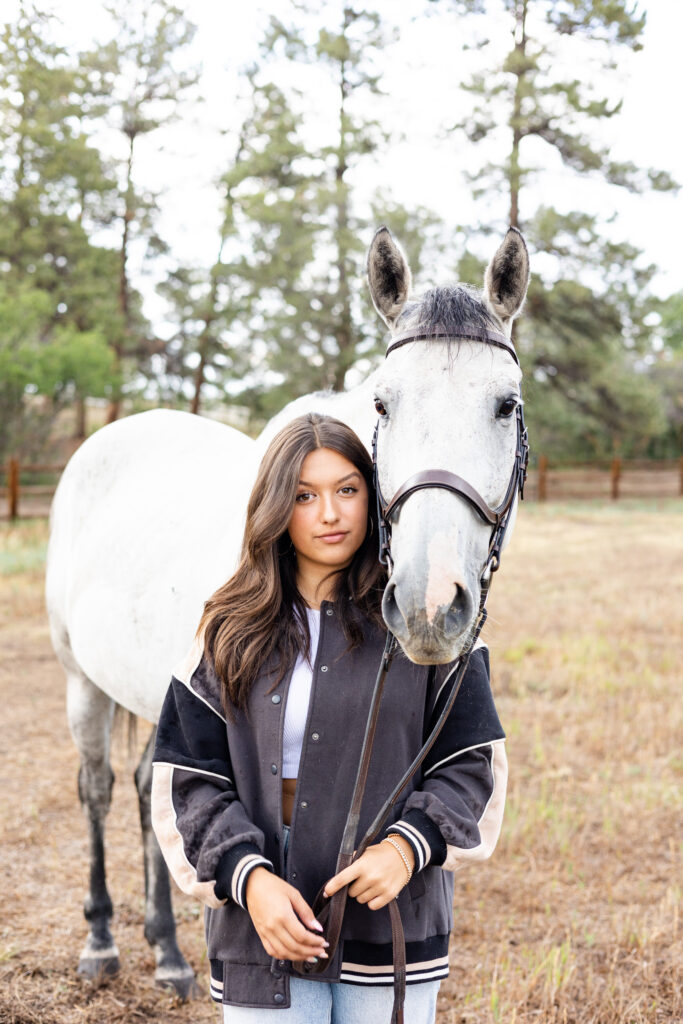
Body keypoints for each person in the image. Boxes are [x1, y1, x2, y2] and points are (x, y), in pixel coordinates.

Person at [151, 412, 507, 1024]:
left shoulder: (429, 618)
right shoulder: (227, 628)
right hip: (262, 916)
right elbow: (188, 779)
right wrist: (250, 881)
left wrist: (406, 849)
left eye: (347, 489)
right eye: (304, 496)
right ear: (274, 508)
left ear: (375, 494)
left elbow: (471, 768)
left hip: (390, 904)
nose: (330, 514)